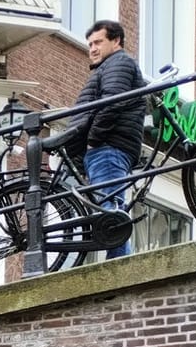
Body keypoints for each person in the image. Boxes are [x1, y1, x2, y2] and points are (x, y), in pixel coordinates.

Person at [59, 19, 148, 258]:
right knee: (108, 206)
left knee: (109, 208)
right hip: (107, 146)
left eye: (98, 42)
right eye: (90, 44)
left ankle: (118, 265)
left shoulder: (119, 63)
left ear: (116, 40)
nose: (93, 49)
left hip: (108, 146)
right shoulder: (110, 67)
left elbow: (112, 101)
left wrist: (94, 140)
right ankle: (117, 262)